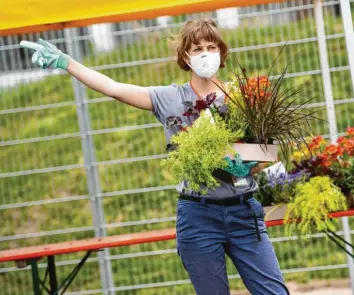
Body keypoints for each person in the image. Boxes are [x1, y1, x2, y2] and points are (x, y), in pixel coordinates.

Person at [20, 18, 290, 295]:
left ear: (222, 52)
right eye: (197, 49)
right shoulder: (170, 99)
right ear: (185, 55)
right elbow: (114, 88)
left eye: (211, 46)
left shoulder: (243, 98)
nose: (205, 53)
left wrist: (246, 165)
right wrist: (67, 63)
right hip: (199, 216)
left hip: (244, 213)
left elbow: (270, 152)